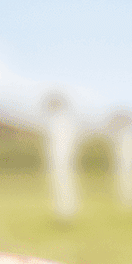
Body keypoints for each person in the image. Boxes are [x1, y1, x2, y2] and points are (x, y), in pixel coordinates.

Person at [41, 93, 80, 221]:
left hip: (62, 160)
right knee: (58, 184)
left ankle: (66, 212)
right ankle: (62, 211)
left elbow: (66, 142)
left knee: (64, 184)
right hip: (57, 160)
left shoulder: (62, 120)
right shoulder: (56, 119)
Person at [107, 110, 132, 208]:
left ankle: (127, 198)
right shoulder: (121, 136)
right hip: (123, 164)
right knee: (124, 176)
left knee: (127, 176)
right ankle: (125, 198)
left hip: (127, 164)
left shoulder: (128, 136)